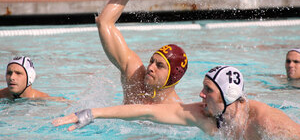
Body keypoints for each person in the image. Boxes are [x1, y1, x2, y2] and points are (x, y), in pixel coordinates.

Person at [52, 65, 300, 139]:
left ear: (229, 97)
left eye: (208, 90)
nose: (200, 95)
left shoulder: (268, 123)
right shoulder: (205, 115)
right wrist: (92, 113)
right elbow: (147, 112)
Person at [95, 0, 188, 104]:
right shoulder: (136, 78)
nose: (150, 68)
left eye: (159, 65)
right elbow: (104, 22)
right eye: (151, 61)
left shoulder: (175, 113)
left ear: (173, 76)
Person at [0, 56, 65, 101]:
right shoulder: (1, 95)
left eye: (18, 73)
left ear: (30, 77)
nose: (11, 77)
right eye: (9, 73)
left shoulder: (43, 99)